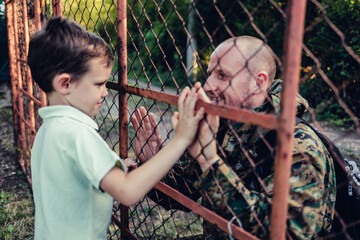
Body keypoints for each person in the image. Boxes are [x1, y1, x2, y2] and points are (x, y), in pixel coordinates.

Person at [132, 36, 336, 239]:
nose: (208, 85)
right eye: (210, 74)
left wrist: (210, 163)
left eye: (223, 75)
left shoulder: (297, 142)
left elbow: (287, 232)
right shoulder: (219, 125)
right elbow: (183, 194)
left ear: (258, 83)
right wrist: (153, 162)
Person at [27, 16, 206, 240]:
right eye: (99, 84)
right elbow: (127, 192)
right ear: (65, 84)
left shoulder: (49, 130)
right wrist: (180, 139)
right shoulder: (78, 134)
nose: (106, 91)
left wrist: (117, 167)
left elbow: (73, 177)